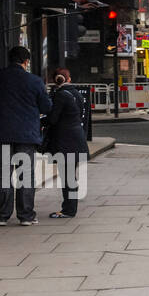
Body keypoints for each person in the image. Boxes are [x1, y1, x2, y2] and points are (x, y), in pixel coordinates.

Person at [0, 47, 52, 226]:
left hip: (1, 132)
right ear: (26, 61)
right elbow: (46, 107)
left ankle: (1, 216)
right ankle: (26, 215)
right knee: (25, 175)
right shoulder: (35, 81)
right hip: (26, 134)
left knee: (3, 174)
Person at [42, 69, 88, 218]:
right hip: (77, 138)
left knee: (67, 176)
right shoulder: (77, 94)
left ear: (55, 80)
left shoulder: (60, 95)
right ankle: (70, 207)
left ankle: (68, 209)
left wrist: (40, 121)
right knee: (70, 175)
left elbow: (53, 119)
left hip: (65, 140)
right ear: (69, 78)